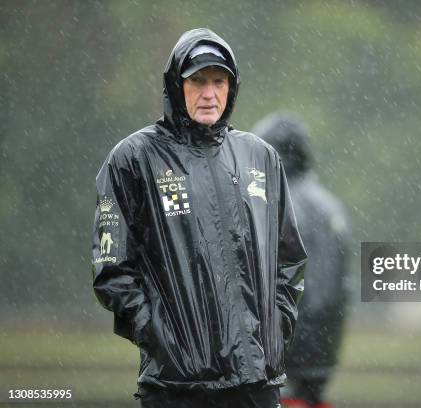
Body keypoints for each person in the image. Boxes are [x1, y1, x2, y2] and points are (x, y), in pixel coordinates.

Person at [91, 28, 307, 408]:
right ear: (177, 85)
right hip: (176, 387)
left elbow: (288, 259)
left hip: (256, 382)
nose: (209, 93)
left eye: (218, 81)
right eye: (197, 81)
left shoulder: (260, 158)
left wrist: (276, 329)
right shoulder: (134, 159)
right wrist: (162, 337)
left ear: (232, 86)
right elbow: (112, 270)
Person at [252, 113, 351, 408]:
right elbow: (336, 287)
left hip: (288, 354)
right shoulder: (330, 204)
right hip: (323, 349)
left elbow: (306, 288)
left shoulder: (282, 204)